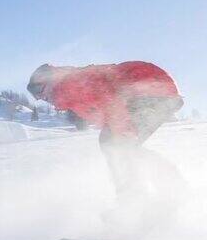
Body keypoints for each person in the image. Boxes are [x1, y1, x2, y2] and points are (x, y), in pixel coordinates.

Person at [27, 62, 185, 225]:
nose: (40, 97)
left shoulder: (68, 85)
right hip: (157, 93)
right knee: (123, 147)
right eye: (34, 95)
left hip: (150, 93)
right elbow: (104, 110)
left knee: (114, 144)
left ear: (50, 81)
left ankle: (135, 201)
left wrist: (122, 129)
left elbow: (109, 95)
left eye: (38, 90)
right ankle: (169, 185)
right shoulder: (70, 89)